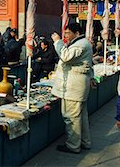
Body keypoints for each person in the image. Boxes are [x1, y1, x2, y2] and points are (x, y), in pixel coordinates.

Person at [51, 23, 96, 154]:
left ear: (76, 33)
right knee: (81, 117)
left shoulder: (81, 44)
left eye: (68, 33)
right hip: (76, 85)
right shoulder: (81, 43)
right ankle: (84, 142)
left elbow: (65, 57)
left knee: (71, 117)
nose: (65, 35)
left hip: (73, 87)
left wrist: (57, 42)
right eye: (65, 33)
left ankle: (73, 145)